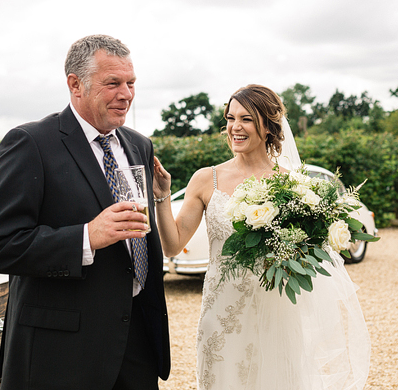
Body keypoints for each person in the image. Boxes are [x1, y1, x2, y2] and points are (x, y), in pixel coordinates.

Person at [0, 35, 170, 390]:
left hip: (136, 341)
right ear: (75, 84)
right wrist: (86, 237)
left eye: (131, 83)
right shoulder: (30, 143)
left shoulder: (139, 145)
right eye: (113, 83)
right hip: (61, 353)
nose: (126, 94)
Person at [152, 84, 370, 390]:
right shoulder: (206, 179)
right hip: (221, 314)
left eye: (247, 119)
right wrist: (161, 197)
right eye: (230, 118)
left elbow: (306, 255)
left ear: (268, 126)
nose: (235, 127)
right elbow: (172, 245)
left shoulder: (292, 185)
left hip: (276, 313)